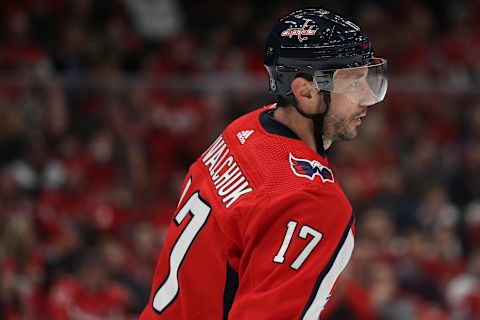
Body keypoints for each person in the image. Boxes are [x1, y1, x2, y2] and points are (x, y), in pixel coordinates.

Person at [140, 8, 388, 319]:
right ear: (305, 91)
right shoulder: (314, 202)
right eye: (353, 83)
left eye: (368, 78)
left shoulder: (243, 129)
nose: (366, 97)